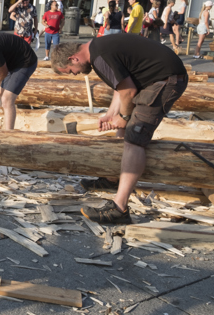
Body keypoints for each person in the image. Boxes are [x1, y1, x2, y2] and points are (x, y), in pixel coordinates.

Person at [51, 35, 188, 224]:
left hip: (164, 81)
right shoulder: (98, 50)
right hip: (155, 78)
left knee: (134, 138)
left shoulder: (99, 56)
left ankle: (119, 209)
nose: (75, 73)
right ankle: (113, 178)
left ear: (73, 58)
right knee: (124, 130)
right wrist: (111, 114)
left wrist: (123, 118)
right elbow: (120, 87)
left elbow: (128, 92)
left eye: (70, 70)